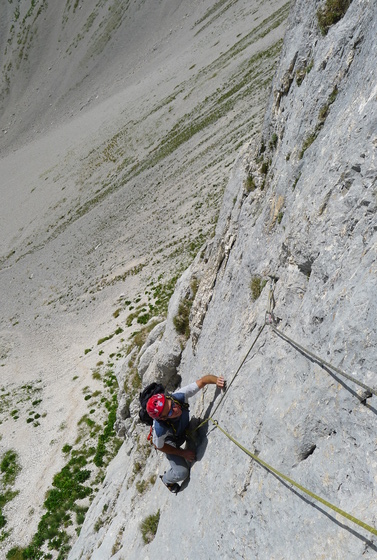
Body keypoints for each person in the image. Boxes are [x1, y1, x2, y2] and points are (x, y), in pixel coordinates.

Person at [146, 375, 225, 492]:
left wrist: (216, 380)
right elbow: (159, 446)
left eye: (172, 405)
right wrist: (182, 453)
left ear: (169, 398)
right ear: (162, 418)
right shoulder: (159, 429)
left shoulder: (178, 397)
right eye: (170, 413)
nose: (176, 410)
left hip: (181, 430)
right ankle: (167, 479)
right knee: (182, 472)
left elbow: (203, 381)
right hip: (170, 442)